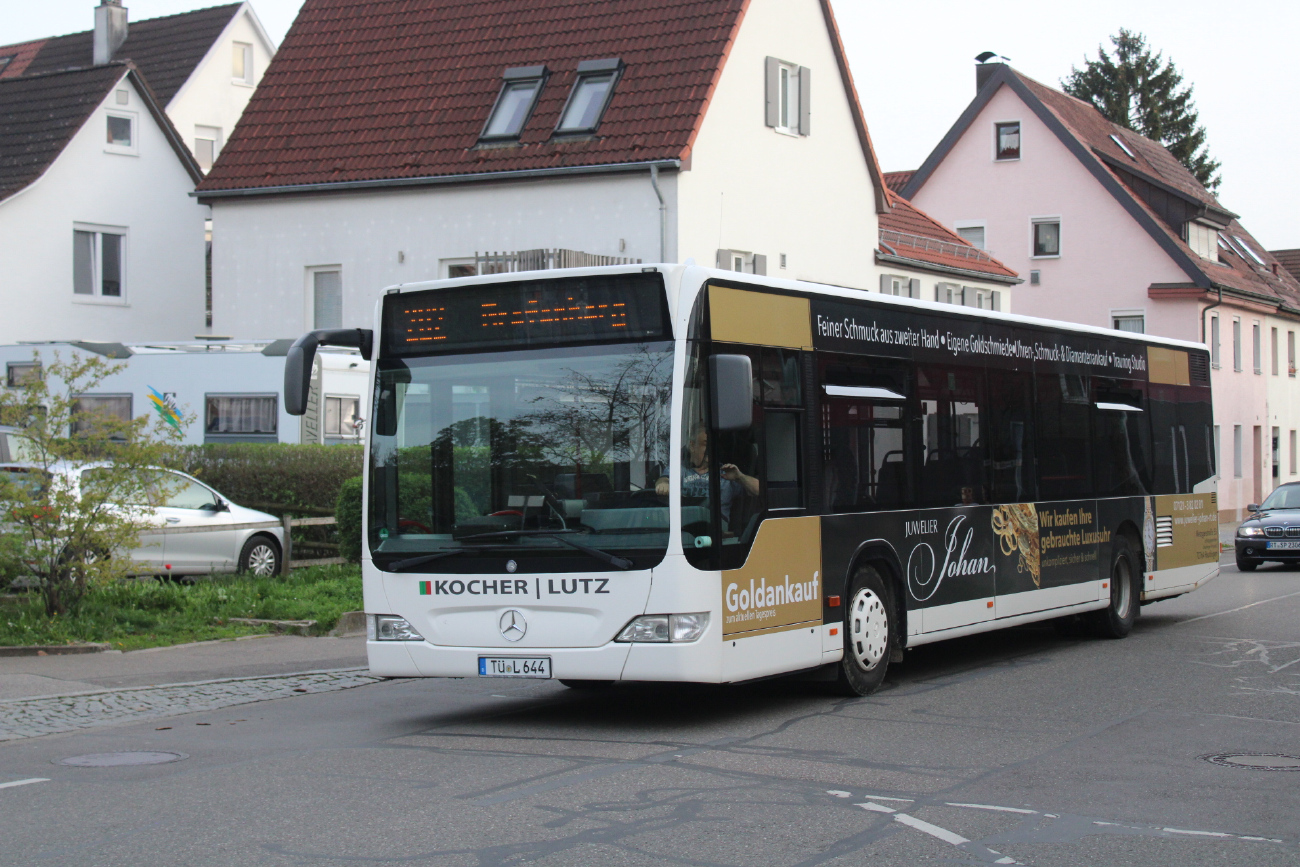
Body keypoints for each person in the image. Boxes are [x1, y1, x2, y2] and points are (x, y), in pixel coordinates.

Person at [655, 427, 759, 526]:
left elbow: (759, 490)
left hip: (716, 531)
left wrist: (739, 477)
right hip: (682, 528)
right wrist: (663, 484)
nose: (711, 448)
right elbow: (663, 479)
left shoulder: (727, 472)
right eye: (705, 444)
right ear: (692, 446)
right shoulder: (680, 469)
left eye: (713, 444)